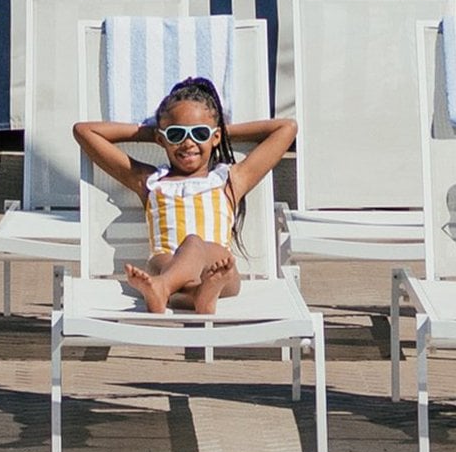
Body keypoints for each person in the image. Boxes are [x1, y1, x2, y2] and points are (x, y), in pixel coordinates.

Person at [74, 76, 295, 315]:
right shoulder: (150, 182)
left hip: (220, 269)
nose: (188, 143)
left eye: (199, 133)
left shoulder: (229, 181)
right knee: (170, 263)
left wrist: (217, 131)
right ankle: (198, 296)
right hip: (165, 263)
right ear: (161, 139)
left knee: (193, 243)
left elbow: (287, 128)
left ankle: (163, 288)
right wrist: (156, 133)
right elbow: (84, 131)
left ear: (216, 137)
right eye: (177, 135)